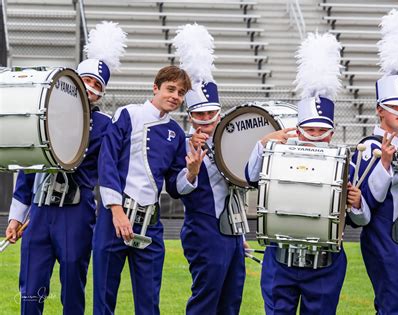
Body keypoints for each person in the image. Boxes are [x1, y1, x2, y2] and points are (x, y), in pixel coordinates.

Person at [5, 21, 126, 315]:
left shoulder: (106, 125)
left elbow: (109, 167)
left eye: (98, 85)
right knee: (30, 287)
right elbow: (28, 167)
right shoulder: (46, 114)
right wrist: (15, 217)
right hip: (40, 209)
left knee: (73, 284)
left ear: (102, 93)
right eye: (87, 80)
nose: (91, 88)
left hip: (76, 210)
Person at [245, 32, 370, 315]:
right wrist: (263, 144)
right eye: (309, 130)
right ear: (298, 129)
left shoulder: (346, 163)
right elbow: (251, 178)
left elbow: (361, 219)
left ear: (332, 133)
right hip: (281, 261)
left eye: (321, 131)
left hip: (325, 265)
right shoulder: (277, 155)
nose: (314, 136)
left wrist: (357, 202)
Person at [93, 65, 206, 315]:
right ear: (155, 88)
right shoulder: (127, 114)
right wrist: (116, 211)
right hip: (114, 220)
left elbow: (175, 188)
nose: (175, 96)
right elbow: (107, 160)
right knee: (103, 299)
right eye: (170, 89)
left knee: (149, 303)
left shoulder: (176, 133)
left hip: (150, 226)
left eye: (181, 92)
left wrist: (192, 172)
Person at [350, 9, 398, 314]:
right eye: (395, 107)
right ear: (379, 110)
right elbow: (362, 213)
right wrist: (383, 165)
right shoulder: (368, 148)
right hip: (382, 241)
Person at [172, 23, 246, 315]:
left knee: (231, 300)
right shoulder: (181, 142)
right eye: (199, 115)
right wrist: (191, 171)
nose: (205, 120)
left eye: (210, 114)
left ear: (218, 113)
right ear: (190, 115)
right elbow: (176, 189)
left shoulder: (228, 141)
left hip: (232, 229)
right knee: (206, 300)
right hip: (203, 229)